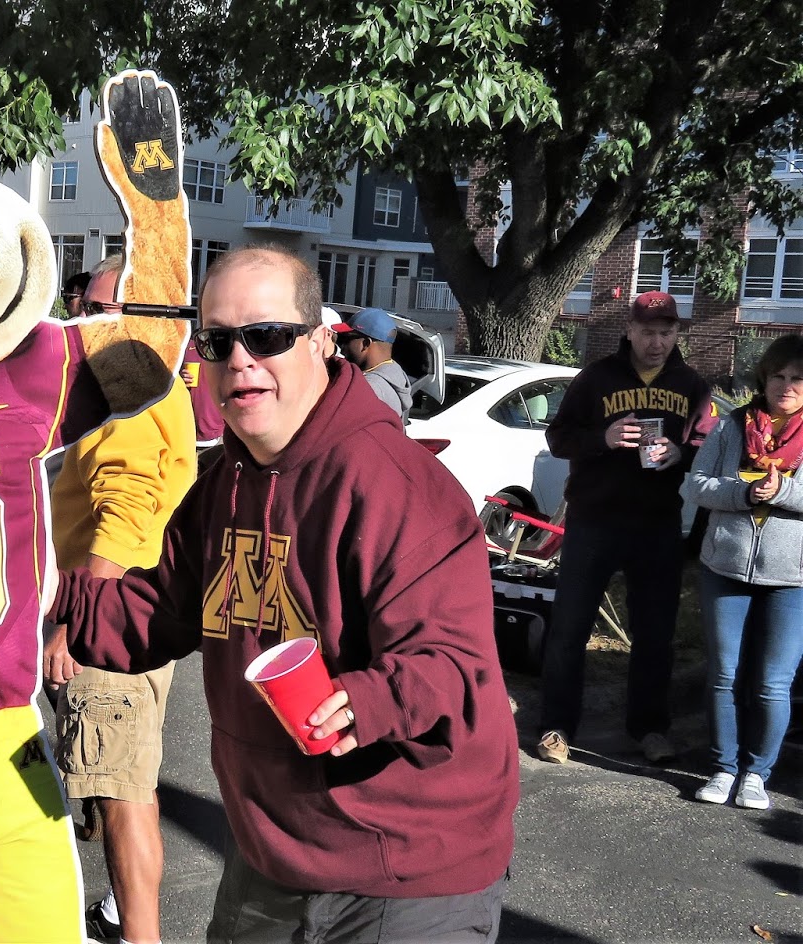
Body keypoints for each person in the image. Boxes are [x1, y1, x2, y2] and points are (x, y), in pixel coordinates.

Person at [50, 246, 518, 944]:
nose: (240, 359)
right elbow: (154, 615)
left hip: (410, 864)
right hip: (272, 851)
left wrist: (369, 699)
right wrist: (32, 598)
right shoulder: (223, 487)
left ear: (322, 342)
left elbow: (455, 664)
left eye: (265, 336)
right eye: (217, 340)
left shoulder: (394, 483)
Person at [43, 254, 197, 944]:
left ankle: (140, 934)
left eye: (98, 308)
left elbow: (127, 507)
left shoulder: (128, 378)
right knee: (122, 781)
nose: (84, 319)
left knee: (123, 790)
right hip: (131, 611)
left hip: (107, 620)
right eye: (83, 304)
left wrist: (73, 626)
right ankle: (122, 918)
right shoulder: (146, 377)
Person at [537, 290, 715, 766]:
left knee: (655, 634)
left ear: (677, 333)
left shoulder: (691, 384)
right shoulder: (596, 378)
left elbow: (707, 447)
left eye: (666, 332)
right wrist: (603, 438)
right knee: (570, 629)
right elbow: (557, 438)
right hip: (595, 520)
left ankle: (651, 728)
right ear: (629, 331)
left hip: (656, 524)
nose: (656, 342)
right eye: (647, 332)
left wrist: (682, 454)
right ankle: (556, 725)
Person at [681, 333, 803, 812]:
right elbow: (696, 484)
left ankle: (757, 774)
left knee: (774, 681)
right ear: (764, 379)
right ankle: (723, 767)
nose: (787, 386)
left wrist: (782, 493)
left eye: (797, 378)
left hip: (791, 578)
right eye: (779, 376)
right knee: (724, 675)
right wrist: (741, 493)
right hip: (724, 568)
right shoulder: (733, 426)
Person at [332, 307, 410, 418]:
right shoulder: (395, 376)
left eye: (346, 339)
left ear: (365, 344)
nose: (342, 347)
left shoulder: (370, 388)